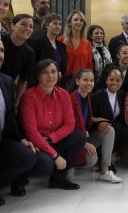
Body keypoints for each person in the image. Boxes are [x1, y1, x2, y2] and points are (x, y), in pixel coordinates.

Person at [19, 59, 86, 190]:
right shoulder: (29, 96)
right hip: (35, 143)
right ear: (38, 76)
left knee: (79, 137)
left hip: (53, 139)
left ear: (58, 74)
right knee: (47, 165)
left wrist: (51, 138)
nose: (50, 76)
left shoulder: (64, 94)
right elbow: (31, 132)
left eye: (53, 71)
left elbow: (70, 124)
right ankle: (20, 178)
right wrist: (55, 156)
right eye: (45, 72)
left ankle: (58, 179)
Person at [0, 32, 37, 206]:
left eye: (1, 50)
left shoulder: (6, 81)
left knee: (28, 156)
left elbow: (9, 117)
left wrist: (21, 138)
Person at [69, 69, 122, 183]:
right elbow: (68, 127)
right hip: (72, 141)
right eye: (85, 80)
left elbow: (83, 116)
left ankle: (104, 171)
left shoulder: (87, 97)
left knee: (109, 130)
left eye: (91, 80)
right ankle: (68, 166)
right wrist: (84, 143)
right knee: (91, 159)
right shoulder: (70, 99)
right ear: (77, 81)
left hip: (83, 137)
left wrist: (95, 120)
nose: (89, 83)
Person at [91, 66, 127, 172]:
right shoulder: (97, 96)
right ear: (106, 80)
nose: (114, 83)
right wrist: (97, 124)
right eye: (111, 80)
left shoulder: (122, 95)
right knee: (114, 127)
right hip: (99, 129)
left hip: (116, 127)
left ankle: (109, 155)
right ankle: (105, 162)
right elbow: (90, 117)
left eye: (118, 80)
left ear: (122, 81)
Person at [0, 14, 35, 108]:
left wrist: (17, 101)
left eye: (31, 26)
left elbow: (23, 81)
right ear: (12, 26)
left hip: (6, 90)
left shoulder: (29, 53)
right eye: (23, 24)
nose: (27, 28)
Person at [30, 13, 67, 88]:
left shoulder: (62, 46)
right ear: (47, 25)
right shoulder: (37, 42)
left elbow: (63, 68)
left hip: (58, 85)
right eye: (55, 23)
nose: (58, 26)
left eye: (60, 24)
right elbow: (32, 66)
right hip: (41, 84)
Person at [58, 10, 93, 81]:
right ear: (70, 23)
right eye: (75, 20)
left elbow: (89, 65)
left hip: (82, 81)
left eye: (81, 20)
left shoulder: (88, 44)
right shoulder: (60, 41)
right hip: (64, 80)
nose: (79, 22)